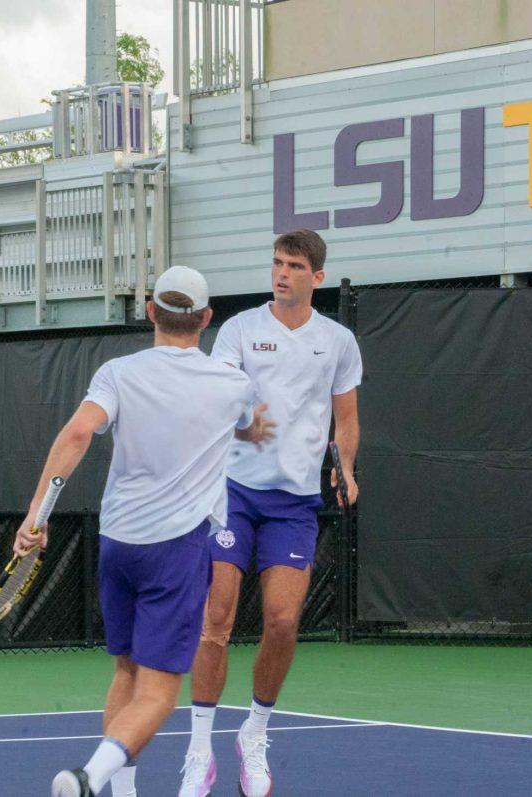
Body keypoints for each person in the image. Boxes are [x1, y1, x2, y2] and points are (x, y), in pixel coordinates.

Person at [17, 266, 273, 797]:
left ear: (151, 312)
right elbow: (246, 423)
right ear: (205, 320)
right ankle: (89, 777)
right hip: (175, 551)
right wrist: (253, 428)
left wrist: (37, 516)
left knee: (126, 672)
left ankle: (123, 791)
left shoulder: (117, 373)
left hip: (117, 545)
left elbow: (78, 432)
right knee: (159, 693)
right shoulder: (234, 384)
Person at [178, 229, 363, 797]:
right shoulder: (237, 330)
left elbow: (346, 420)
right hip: (233, 492)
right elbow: (219, 400)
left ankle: (253, 734)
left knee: (283, 621)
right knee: (218, 619)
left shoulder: (337, 341)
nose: (281, 273)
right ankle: (198, 747)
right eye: (277, 263)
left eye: (294, 266)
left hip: (295, 504)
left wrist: (347, 466)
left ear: (316, 277)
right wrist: (241, 423)